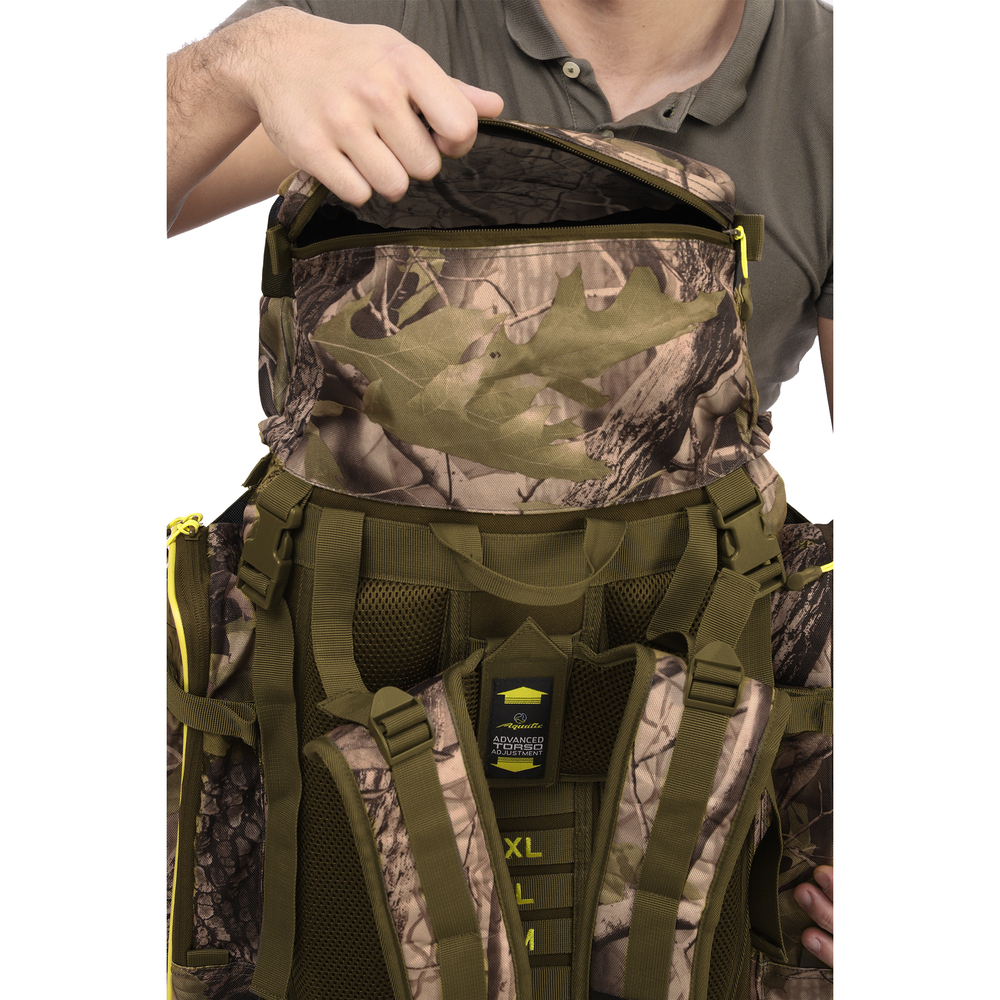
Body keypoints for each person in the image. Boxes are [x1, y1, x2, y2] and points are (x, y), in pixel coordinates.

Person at [167, 0, 833, 971]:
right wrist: (241, 61)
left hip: (686, 729)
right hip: (327, 719)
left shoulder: (841, 90)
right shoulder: (371, 17)